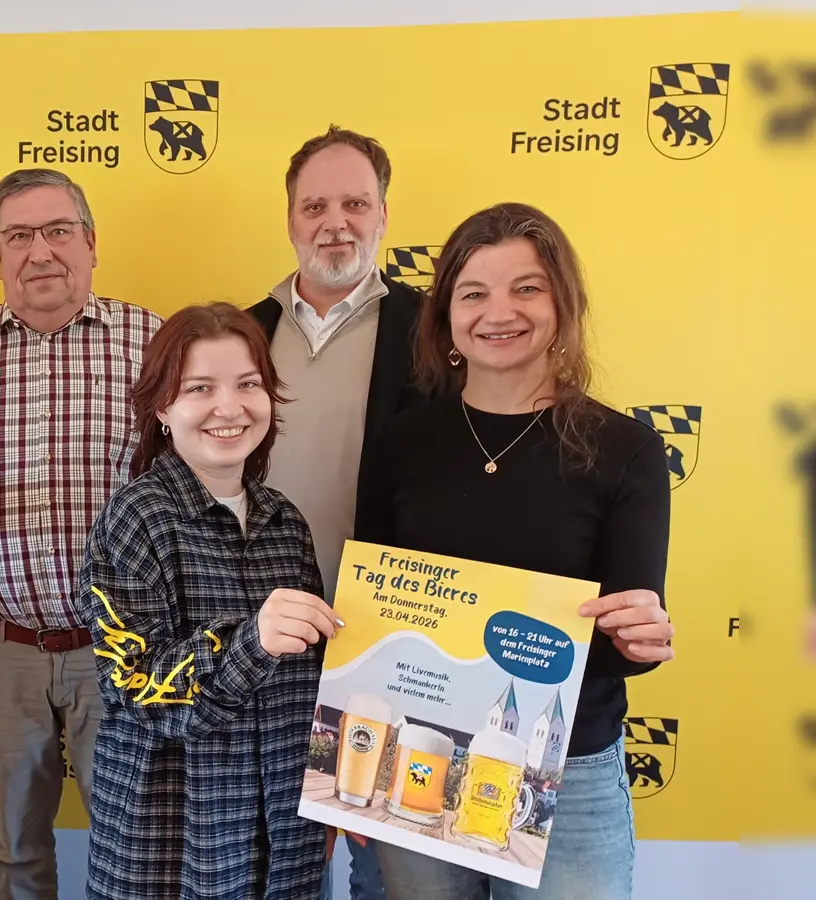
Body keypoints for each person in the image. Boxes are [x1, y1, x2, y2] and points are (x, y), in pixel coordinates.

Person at [356, 202, 675, 900]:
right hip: (421, 750)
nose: (499, 311)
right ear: (445, 319)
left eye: (526, 288)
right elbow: (373, 612)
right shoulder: (401, 445)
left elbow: (627, 646)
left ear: (562, 302)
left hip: (570, 766)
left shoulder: (626, 451)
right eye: (474, 293)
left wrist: (641, 637)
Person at [0, 168, 162, 900]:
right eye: (18, 236)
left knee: (135, 847)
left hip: (119, 648)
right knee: (16, 850)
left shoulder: (151, 341)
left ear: (91, 244)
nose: (39, 251)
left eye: (57, 231)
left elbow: (189, 493)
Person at [77, 301, 335, 900]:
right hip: (170, 826)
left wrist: (329, 794)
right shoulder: (135, 518)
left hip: (282, 824)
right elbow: (135, 685)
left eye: (249, 384)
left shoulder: (285, 523)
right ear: (163, 408)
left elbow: (316, 685)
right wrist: (252, 643)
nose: (230, 407)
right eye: (200, 388)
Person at [246, 125, 427, 900]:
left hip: (390, 638)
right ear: (289, 219)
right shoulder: (245, 330)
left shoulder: (438, 330)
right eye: (315, 205)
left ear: (384, 213)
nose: (335, 222)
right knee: (282, 860)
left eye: (355, 203)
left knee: (387, 866)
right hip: (267, 640)